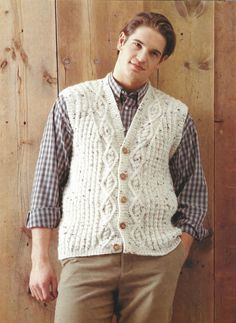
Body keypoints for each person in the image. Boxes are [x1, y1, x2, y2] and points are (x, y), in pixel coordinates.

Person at [27, 11, 210, 323]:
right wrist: (39, 260)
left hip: (154, 264)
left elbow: (193, 191)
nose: (141, 57)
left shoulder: (175, 115)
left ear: (160, 61)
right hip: (85, 258)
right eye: (137, 45)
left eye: (153, 53)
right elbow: (47, 185)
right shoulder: (73, 102)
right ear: (122, 41)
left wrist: (178, 252)